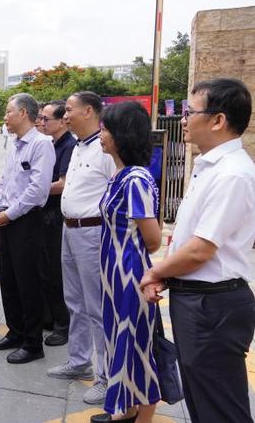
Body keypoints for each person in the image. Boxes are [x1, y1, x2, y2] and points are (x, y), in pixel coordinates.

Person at [140, 78, 255, 423]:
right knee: (204, 400)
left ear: (218, 120)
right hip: (199, 300)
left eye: (191, 112)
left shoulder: (233, 175)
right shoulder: (210, 166)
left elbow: (201, 250)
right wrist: (167, 275)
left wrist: (156, 272)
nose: (184, 119)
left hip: (212, 305)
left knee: (220, 406)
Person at [91, 101, 162, 423]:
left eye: (105, 129)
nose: (100, 134)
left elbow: (153, 239)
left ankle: (142, 417)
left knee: (136, 345)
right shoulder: (121, 175)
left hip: (130, 275)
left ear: (122, 134)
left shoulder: (135, 180)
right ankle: (128, 408)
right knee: (119, 340)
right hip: (112, 273)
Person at [47, 91, 115, 406]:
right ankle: (78, 360)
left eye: (70, 110)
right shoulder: (77, 146)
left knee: (97, 307)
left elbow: (116, 193)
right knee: (74, 301)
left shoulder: (106, 148)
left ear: (88, 111)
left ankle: (106, 377)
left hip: (91, 234)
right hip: (69, 230)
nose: (65, 115)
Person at [0, 94, 55, 364]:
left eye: (8, 112)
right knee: (10, 279)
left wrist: (9, 214)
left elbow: (37, 190)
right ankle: (15, 331)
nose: (5, 117)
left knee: (28, 282)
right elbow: (5, 180)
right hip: (6, 219)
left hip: (26, 221)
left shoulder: (42, 145)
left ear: (24, 113)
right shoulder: (15, 145)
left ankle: (32, 342)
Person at [38, 101, 75, 346]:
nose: (41, 123)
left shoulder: (68, 146)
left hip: (57, 216)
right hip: (45, 214)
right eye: (40, 118)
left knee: (56, 272)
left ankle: (64, 324)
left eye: (46, 119)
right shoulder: (52, 144)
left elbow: (63, 183)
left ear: (62, 121)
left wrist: (34, 191)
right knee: (44, 269)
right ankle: (49, 317)